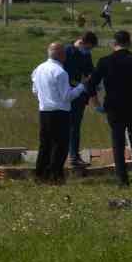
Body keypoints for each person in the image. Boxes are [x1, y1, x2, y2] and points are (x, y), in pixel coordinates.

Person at [86, 30, 132, 188]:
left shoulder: (105, 61)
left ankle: (122, 181)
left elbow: (91, 85)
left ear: (114, 43)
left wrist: (97, 105)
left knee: (118, 144)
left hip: (114, 108)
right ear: (129, 43)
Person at [29, 42, 85, 183]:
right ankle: (55, 176)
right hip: (60, 112)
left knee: (45, 144)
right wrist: (81, 87)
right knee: (60, 146)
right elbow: (66, 97)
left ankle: (40, 174)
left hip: (44, 111)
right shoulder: (60, 72)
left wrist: (45, 98)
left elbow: (35, 90)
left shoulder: (38, 69)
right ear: (61, 55)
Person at [63, 30, 98, 169]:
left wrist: (95, 81)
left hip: (81, 96)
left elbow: (90, 70)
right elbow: (65, 74)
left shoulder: (86, 53)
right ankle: (71, 156)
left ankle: (74, 155)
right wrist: (80, 85)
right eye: (88, 47)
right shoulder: (68, 52)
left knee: (75, 126)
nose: (88, 51)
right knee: (69, 127)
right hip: (68, 94)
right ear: (82, 42)